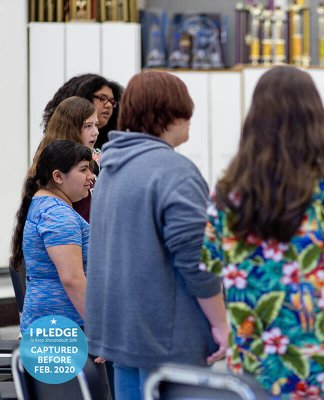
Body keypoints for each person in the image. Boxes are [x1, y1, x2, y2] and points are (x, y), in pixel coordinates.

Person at [201, 66, 324, 399]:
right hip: (316, 362)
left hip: (251, 360)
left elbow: (209, 266)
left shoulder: (227, 193)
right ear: (314, 119)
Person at [85, 71, 229, 400]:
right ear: (171, 113)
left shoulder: (111, 169)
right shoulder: (175, 172)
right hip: (169, 341)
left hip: (123, 336)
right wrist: (220, 324)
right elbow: (196, 261)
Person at [10, 140, 94, 332]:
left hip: (54, 327)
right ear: (58, 176)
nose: (91, 176)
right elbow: (72, 279)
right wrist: (100, 328)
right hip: (63, 330)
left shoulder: (44, 204)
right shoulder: (57, 214)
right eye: (83, 170)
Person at [30, 96, 99, 222]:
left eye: (96, 125)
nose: (96, 132)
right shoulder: (53, 161)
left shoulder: (88, 158)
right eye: (88, 126)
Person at [43, 73, 122, 150]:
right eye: (102, 98)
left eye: (112, 101)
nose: (109, 105)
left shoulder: (112, 146)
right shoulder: (56, 150)